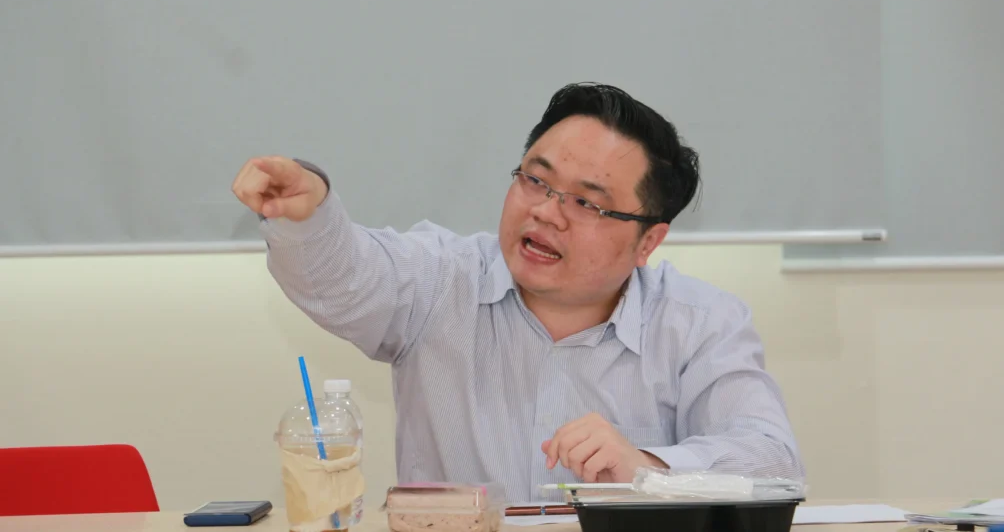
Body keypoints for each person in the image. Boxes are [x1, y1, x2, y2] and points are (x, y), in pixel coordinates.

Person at [232, 83, 803, 501]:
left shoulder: (700, 322)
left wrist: (648, 467)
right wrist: (307, 218)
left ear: (648, 240)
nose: (547, 212)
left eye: (587, 202)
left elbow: (772, 462)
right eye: (535, 179)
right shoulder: (439, 279)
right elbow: (344, 277)